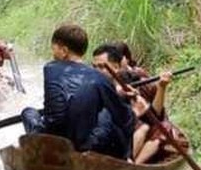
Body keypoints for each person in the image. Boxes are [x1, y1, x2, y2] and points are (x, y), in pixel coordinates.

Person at [20, 24, 135, 160]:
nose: (53, 55)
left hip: (50, 141)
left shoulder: (50, 68)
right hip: (82, 145)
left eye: (54, 50)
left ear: (64, 51)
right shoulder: (99, 78)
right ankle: (127, 158)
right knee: (114, 115)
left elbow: (57, 116)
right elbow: (123, 117)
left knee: (28, 112)